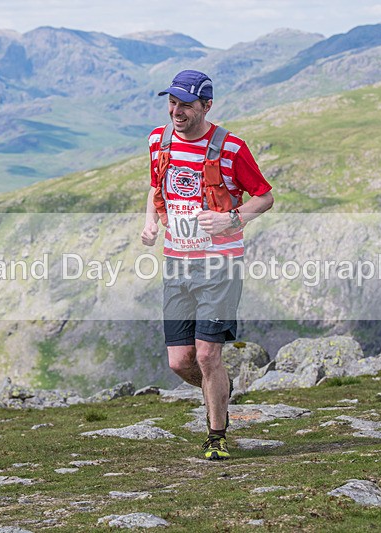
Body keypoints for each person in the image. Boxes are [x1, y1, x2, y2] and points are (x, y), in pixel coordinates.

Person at [141, 70, 274, 460]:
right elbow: (156, 186)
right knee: (179, 361)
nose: (176, 111)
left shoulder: (231, 147)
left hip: (220, 265)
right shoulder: (158, 140)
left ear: (207, 105)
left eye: (185, 104)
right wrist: (149, 221)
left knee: (206, 356)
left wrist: (233, 218)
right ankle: (220, 392)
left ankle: (217, 434)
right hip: (177, 264)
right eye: (172, 102)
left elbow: (264, 198)